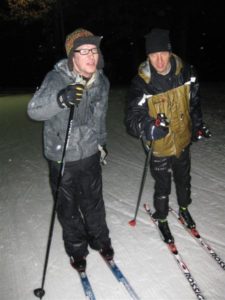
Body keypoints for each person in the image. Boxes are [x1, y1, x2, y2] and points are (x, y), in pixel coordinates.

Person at [27, 28, 114, 272]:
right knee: (68, 208)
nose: (90, 55)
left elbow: (100, 117)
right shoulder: (56, 79)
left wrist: (102, 143)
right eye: (83, 50)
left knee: (94, 202)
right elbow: (34, 110)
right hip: (62, 156)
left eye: (94, 50)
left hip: (89, 153)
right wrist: (61, 99)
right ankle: (77, 249)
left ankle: (100, 240)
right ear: (72, 57)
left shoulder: (102, 82)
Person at [125, 28, 211, 244]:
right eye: (154, 56)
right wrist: (147, 127)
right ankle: (162, 218)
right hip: (159, 145)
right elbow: (132, 119)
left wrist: (198, 127)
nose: (159, 60)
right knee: (162, 184)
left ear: (170, 52)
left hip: (182, 140)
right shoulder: (142, 83)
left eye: (163, 53)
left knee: (184, 179)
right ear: (148, 57)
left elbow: (195, 104)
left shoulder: (187, 73)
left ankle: (184, 209)